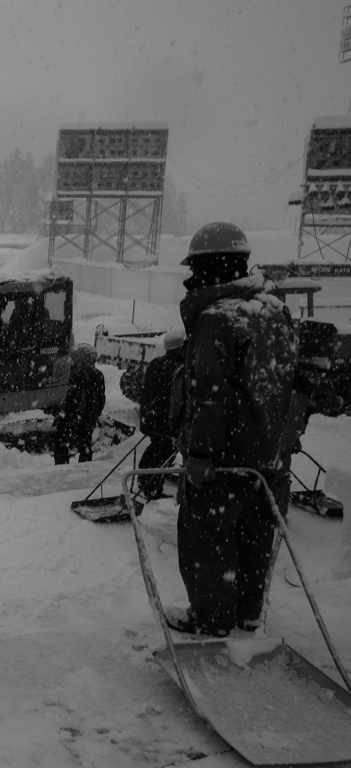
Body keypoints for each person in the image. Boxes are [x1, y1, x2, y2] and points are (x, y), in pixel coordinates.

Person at [168, 222, 297, 637]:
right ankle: (247, 612)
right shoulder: (276, 311)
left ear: (209, 268)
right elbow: (284, 385)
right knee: (256, 540)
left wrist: (201, 455)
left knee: (207, 541)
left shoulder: (216, 319)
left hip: (222, 463)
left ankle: (212, 617)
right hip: (269, 460)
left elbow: (209, 396)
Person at [136, 328, 186, 500]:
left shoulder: (156, 363)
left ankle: (144, 480)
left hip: (150, 418)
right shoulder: (181, 369)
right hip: (168, 423)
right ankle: (151, 487)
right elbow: (180, 400)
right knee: (163, 452)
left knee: (156, 448)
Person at [52, 344, 106, 465]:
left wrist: (63, 415)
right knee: (85, 445)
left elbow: (72, 399)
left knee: (60, 442)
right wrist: (93, 415)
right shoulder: (98, 375)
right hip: (88, 418)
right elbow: (101, 399)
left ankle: (61, 468)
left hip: (74, 417)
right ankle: (84, 469)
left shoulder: (77, 375)